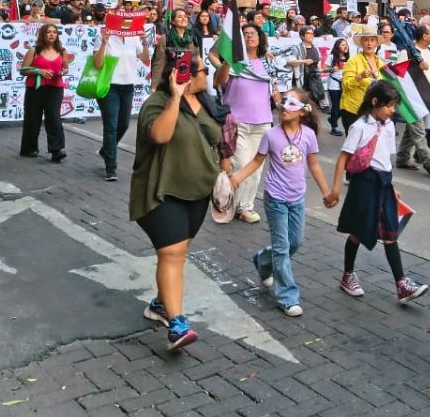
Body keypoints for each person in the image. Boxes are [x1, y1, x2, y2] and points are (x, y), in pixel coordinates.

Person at [131, 51, 219, 351]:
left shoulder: (205, 102)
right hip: (162, 189)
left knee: (179, 253)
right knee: (172, 252)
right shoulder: (157, 103)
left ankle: (160, 303)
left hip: (198, 192)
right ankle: (177, 323)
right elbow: (160, 135)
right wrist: (175, 96)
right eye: (203, 70)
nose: (207, 75)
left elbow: (215, 138)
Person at [324, 80, 429, 305]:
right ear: (375, 102)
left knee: (391, 233)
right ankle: (348, 275)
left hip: (383, 183)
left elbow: (386, 160)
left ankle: (402, 284)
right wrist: (334, 189)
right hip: (364, 183)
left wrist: (392, 186)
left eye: (394, 106)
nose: (393, 110)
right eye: (389, 105)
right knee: (358, 232)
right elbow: (344, 157)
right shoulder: (360, 126)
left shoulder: (389, 126)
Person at [231, 90, 330, 318]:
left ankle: (262, 260)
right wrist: (237, 178)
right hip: (275, 198)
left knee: (294, 242)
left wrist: (326, 191)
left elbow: (313, 165)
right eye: (283, 102)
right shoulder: (271, 135)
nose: (284, 106)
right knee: (282, 247)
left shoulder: (308, 135)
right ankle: (287, 297)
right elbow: (257, 161)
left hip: (297, 198)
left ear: (303, 111)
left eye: (291, 103)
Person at [214, 23, 279, 224]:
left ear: (260, 39)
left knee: (256, 167)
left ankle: (245, 207)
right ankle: (228, 201)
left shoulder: (267, 63)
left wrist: (285, 106)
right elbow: (219, 81)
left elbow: (275, 89)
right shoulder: (235, 63)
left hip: (262, 122)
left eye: (253, 34)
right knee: (241, 164)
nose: (250, 37)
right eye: (245, 34)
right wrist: (227, 62)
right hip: (238, 121)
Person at [93, 17, 152, 182]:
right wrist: (104, 42)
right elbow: (97, 64)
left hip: (128, 86)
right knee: (111, 125)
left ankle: (106, 150)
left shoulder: (133, 37)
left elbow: (146, 59)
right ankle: (111, 167)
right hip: (109, 86)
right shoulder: (105, 35)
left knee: (124, 124)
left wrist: (144, 41)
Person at [20, 22, 70, 162]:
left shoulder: (62, 51)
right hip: (35, 89)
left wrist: (62, 72)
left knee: (54, 118)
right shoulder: (34, 50)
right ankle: (29, 148)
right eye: (49, 32)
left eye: (54, 32)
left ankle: (56, 150)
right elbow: (23, 70)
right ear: (43, 34)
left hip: (55, 88)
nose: (52, 34)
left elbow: (66, 68)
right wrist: (38, 71)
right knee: (33, 118)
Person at [396, 22, 430, 173]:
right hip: (411, 97)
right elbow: (398, 75)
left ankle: (402, 158)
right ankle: (428, 161)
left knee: (412, 129)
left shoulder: (429, 51)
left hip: (425, 95)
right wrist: (416, 67)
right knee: (419, 129)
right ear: (424, 36)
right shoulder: (407, 52)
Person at [339, 25, 384, 131]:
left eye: (372, 40)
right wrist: (359, 76)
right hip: (353, 110)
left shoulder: (380, 63)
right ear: (361, 43)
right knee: (354, 146)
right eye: (366, 40)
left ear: (376, 43)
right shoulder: (353, 61)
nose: (369, 43)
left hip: (372, 112)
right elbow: (345, 85)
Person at [326, 37, 349, 136]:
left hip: (344, 83)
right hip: (334, 83)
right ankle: (334, 127)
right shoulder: (332, 57)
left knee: (343, 107)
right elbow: (325, 69)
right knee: (335, 106)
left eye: (346, 45)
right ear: (338, 46)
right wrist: (332, 69)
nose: (345, 47)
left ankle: (332, 119)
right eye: (343, 45)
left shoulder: (348, 58)